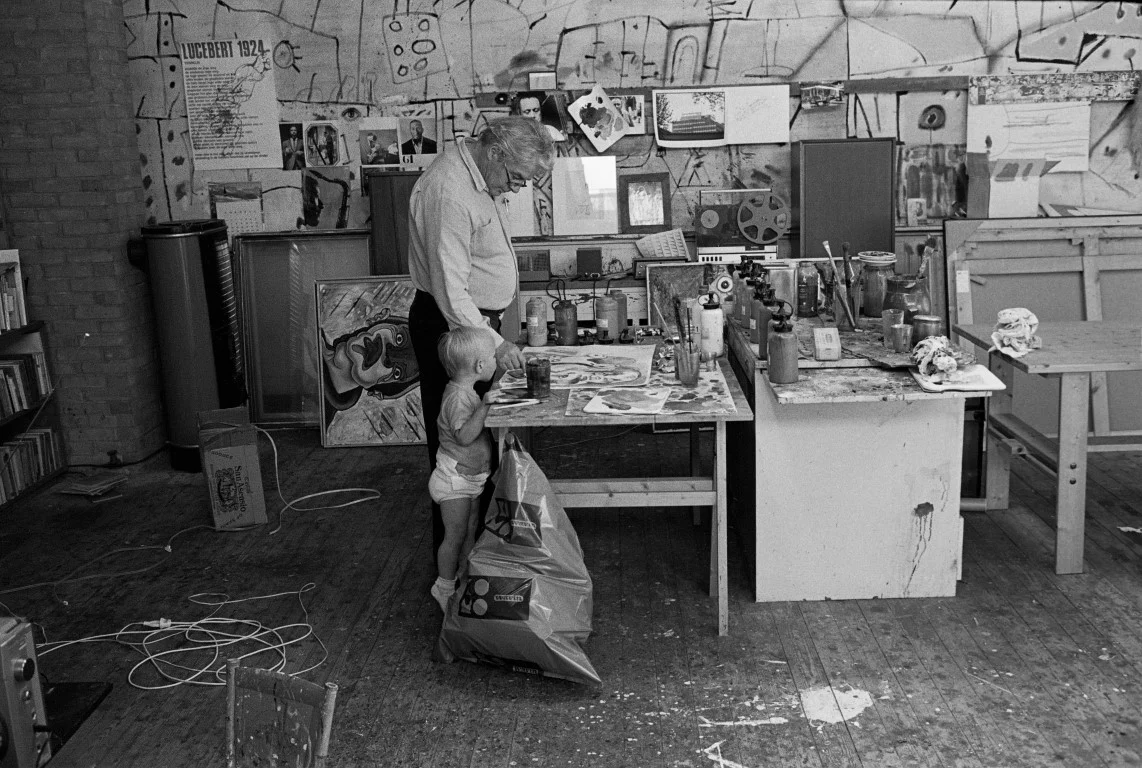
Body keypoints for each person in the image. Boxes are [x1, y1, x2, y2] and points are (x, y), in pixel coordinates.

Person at [408, 116, 555, 561]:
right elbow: (452, 294)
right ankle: (452, 569)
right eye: (514, 177)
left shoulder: (480, 179)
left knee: (482, 440)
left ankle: (481, 553)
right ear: (495, 152)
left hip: (476, 325)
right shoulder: (449, 191)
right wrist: (496, 344)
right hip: (455, 328)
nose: (513, 188)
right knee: (456, 450)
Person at [427, 325, 496, 611]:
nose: (495, 361)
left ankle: (466, 579)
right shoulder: (457, 398)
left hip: (469, 481)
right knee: (454, 536)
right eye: (493, 357)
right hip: (453, 481)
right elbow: (464, 435)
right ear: (480, 365)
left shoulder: (465, 391)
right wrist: (485, 407)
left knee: (469, 531)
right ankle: (443, 586)